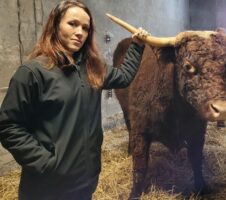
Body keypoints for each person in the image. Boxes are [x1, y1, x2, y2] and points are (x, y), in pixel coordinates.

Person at [0, 1, 148, 199]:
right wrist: (47, 164)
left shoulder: (93, 69)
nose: (80, 32)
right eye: (73, 24)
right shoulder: (32, 73)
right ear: (55, 25)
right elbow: (9, 126)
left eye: (85, 28)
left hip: (85, 183)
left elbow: (124, 76)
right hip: (46, 188)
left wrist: (137, 46)